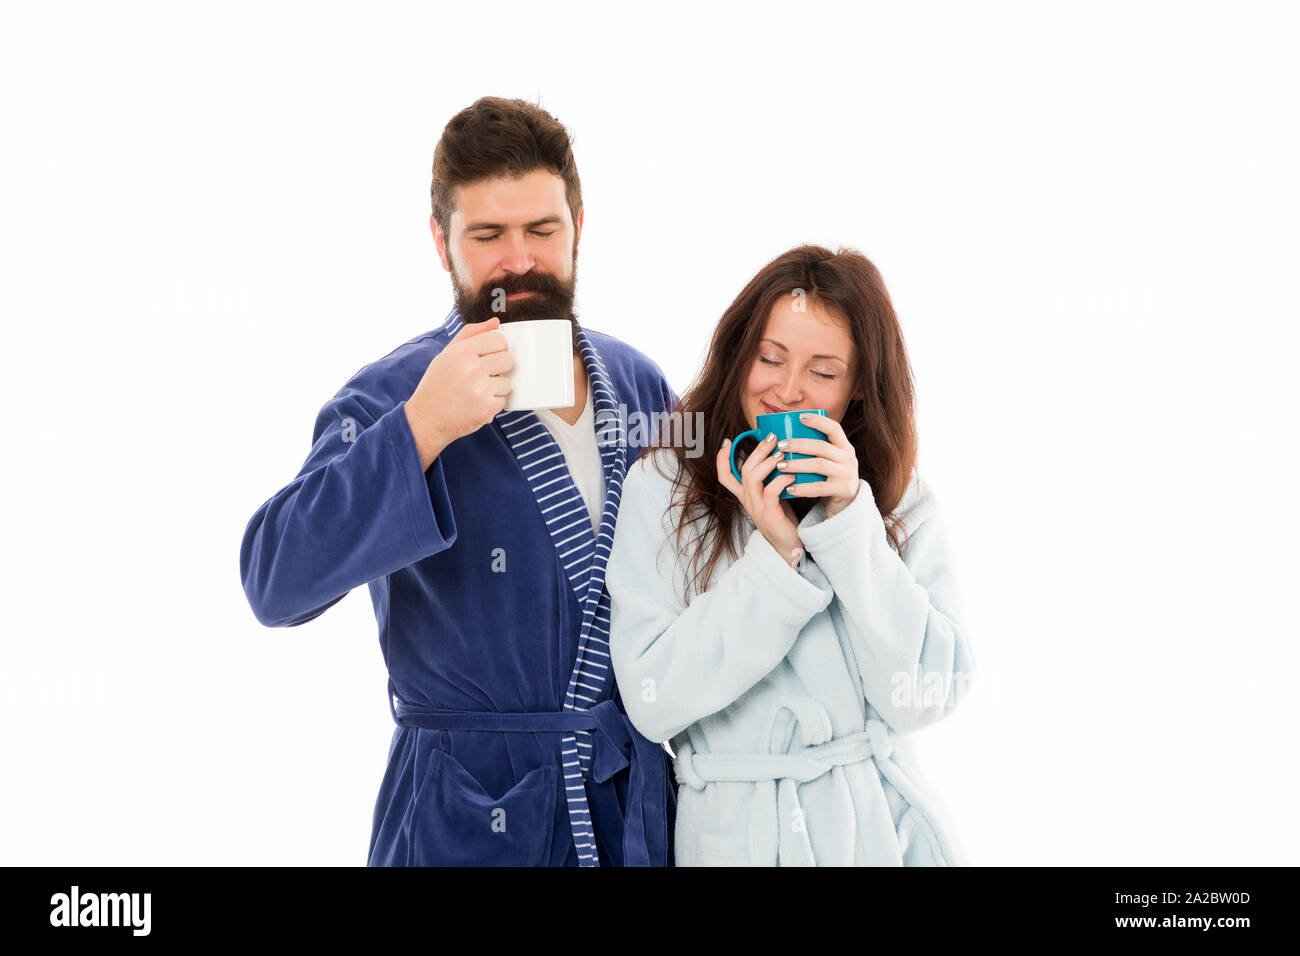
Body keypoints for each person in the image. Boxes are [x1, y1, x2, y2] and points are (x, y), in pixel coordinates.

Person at [239, 97, 677, 866]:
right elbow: (275, 580)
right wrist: (421, 431)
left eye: (542, 230)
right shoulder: (391, 395)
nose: (519, 260)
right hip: (465, 816)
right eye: (488, 235)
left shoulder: (638, 383)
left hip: (626, 809)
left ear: (580, 226)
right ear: (441, 244)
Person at [606, 245, 973, 866]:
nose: (787, 391)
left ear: (858, 389)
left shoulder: (895, 493)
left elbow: (924, 695)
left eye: (823, 373)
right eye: (769, 358)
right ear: (737, 356)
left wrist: (850, 522)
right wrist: (775, 559)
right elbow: (651, 700)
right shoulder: (664, 487)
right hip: (731, 835)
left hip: (873, 834)